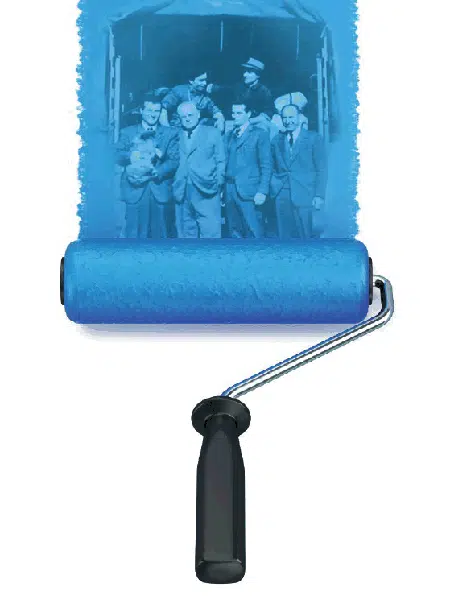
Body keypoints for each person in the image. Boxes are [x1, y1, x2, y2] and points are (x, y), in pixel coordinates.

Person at [115, 93, 179, 238]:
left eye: (156, 111)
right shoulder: (128, 132)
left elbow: (174, 160)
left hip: (160, 190)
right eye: (149, 110)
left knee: (161, 236)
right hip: (135, 191)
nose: (153, 115)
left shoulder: (170, 133)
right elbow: (115, 153)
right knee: (134, 236)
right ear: (141, 111)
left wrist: (158, 171)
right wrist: (131, 155)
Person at [270, 104, 327, 239]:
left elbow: (321, 169)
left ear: (300, 117)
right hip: (282, 195)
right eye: (285, 118)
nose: (288, 121)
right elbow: (271, 166)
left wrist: (319, 195)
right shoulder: (277, 140)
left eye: (291, 117)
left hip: (305, 193)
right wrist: (274, 185)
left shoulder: (314, 138)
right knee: (284, 237)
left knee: (305, 236)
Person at [172, 102, 226, 238]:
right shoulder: (175, 135)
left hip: (207, 189)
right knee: (186, 233)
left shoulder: (212, 133)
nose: (187, 119)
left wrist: (218, 183)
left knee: (210, 232)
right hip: (182, 190)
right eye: (183, 116)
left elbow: (221, 161)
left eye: (190, 115)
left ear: (198, 114)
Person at [224, 100, 272, 238]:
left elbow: (266, 165)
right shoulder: (229, 135)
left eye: (239, 113)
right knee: (234, 232)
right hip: (230, 191)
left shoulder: (259, 134)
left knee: (254, 231)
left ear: (248, 114)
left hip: (250, 192)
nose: (235, 116)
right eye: (233, 113)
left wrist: (262, 191)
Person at [208, 58, 274, 130]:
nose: (244, 74)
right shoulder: (239, 86)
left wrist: (250, 121)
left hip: (254, 125)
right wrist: (212, 88)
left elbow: (268, 112)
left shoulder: (264, 91)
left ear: (258, 75)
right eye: (245, 71)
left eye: (249, 72)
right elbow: (226, 89)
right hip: (235, 122)